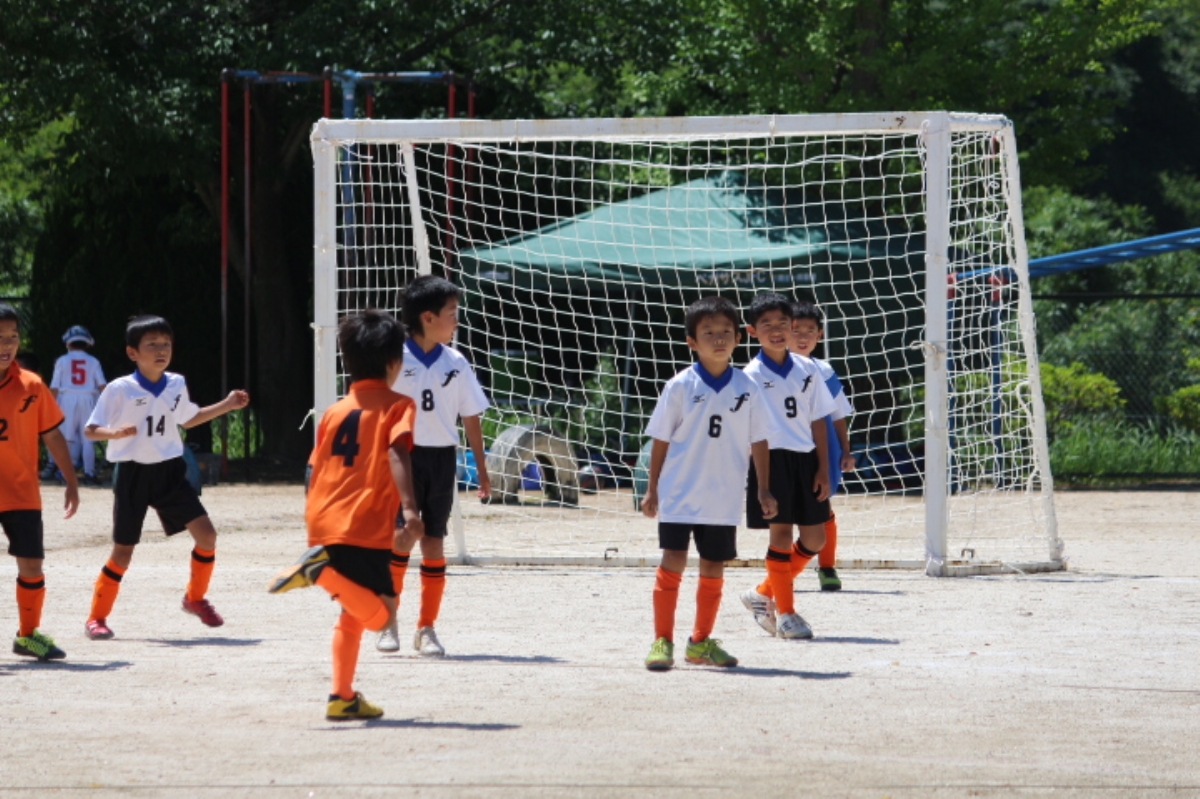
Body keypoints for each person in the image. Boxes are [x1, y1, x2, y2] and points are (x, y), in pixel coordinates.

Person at [268, 309, 424, 721]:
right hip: (363, 522)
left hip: (326, 517)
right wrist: (410, 508)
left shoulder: (335, 411)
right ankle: (319, 572)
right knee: (382, 615)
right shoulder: (399, 405)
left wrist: (315, 519)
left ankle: (342, 696)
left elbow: (313, 468)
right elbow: (397, 452)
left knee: (352, 612)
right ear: (394, 362)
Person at [83, 315, 249, 640]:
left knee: (207, 536)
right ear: (132, 352)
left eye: (166, 344)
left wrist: (227, 405)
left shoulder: (176, 383)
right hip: (133, 474)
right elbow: (91, 430)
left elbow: (189, 419)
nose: (161, 350)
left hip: (169, 472)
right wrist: (112, 433)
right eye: (152, 345)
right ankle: (96, 618)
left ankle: (195, 598)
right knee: (123, 551)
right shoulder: (120, 389)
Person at [640, 296, 777, 671]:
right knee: (673, 560)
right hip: (680, 491)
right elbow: (660, 440)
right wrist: (652, 488)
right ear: (692, 342)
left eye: (725, 332)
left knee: (714, 565)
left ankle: (700, 642)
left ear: (738, 338)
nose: (718, 339)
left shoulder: (748, 387)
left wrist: (763, 488)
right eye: (709, 333)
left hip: (723, 495)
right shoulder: (679, 386)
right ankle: (662, 640)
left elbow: (759, 439)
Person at [378, 276, 491, 657]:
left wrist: (482, 469)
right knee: (400, 537)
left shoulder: (456, 361)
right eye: (452, 313)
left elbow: (471, 416)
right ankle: (387, 621)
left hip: (442, 458)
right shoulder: (393, 358)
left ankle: (426, 628)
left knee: (434, 543)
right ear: (428, 318)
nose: (457, 320)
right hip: (401, 456)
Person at [739, 293, 837, 639]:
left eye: (782, 322)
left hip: (806, 458)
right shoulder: (749, 376)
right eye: (766, 324)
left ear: (792, 326)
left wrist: (824, 468)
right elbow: (753, 434)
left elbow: (819, 420)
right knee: (780, 535)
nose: (776, 330)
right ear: (752, 331)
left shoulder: (808, 368)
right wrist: (763, 485)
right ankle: (787, 613)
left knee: (815, 538)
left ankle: (762, 593)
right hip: (771, 459)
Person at [0, 303, 79, 661]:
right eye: (0, 337)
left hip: (21, 493)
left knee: (31, 565)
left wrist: (71, 480)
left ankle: (28, 636)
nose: (7, 344)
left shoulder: (31, 385)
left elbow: (53, 435)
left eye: (13, 336)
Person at [788, 300, 855, 591]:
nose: (802, 337)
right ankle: (780, 572)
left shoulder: (824, 371)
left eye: (809, 331)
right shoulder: (767, 371)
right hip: (783, 451)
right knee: (783, 515)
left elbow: (838, 414)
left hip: (820, 452)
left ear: (820, 335)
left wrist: (846, 450)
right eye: (796, 330)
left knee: (821, 505)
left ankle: (826, 567)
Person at [48, 325, 107, 486]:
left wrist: (49, 406)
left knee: (67, 438)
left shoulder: (61, 360)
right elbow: (102, 385)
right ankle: (89, 473)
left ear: (68, 343)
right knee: (88, 438)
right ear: (87, 343)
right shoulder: (93, 361)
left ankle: (65, 473)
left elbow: (54, 386)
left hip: (67, 399)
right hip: (88, 398)